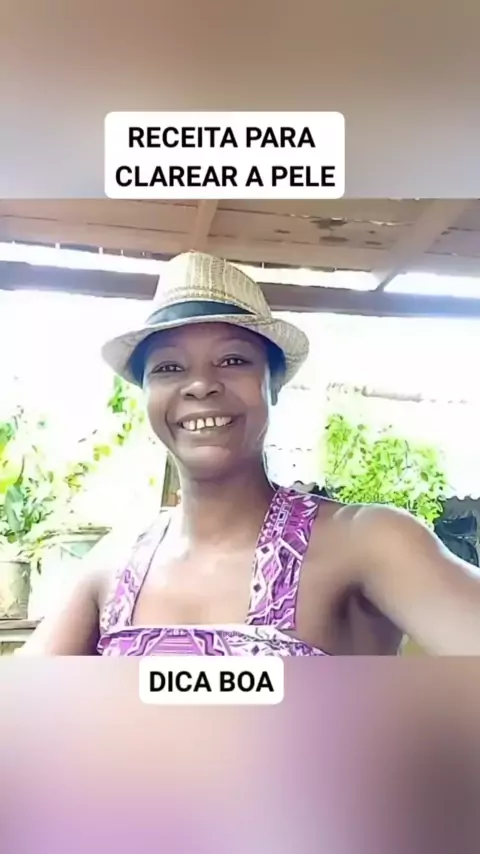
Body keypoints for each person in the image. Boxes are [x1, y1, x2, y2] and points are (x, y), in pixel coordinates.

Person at [21, 252, 480, 656]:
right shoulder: (112, 566)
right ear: (145, 394)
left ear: (273, 384)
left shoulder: (366, 542)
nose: (200, 384)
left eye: (233, 360)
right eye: (168, 367)